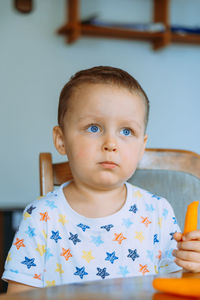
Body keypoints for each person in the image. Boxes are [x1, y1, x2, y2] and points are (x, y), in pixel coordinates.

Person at [2, 66, 200, 294]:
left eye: (126, 131)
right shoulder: (41, 218)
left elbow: (175, 287)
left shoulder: (158, 212)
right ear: (61, 140)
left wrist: (192, 266)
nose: (111, 143)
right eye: (94, 128)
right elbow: (19, 297)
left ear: (141, 146)